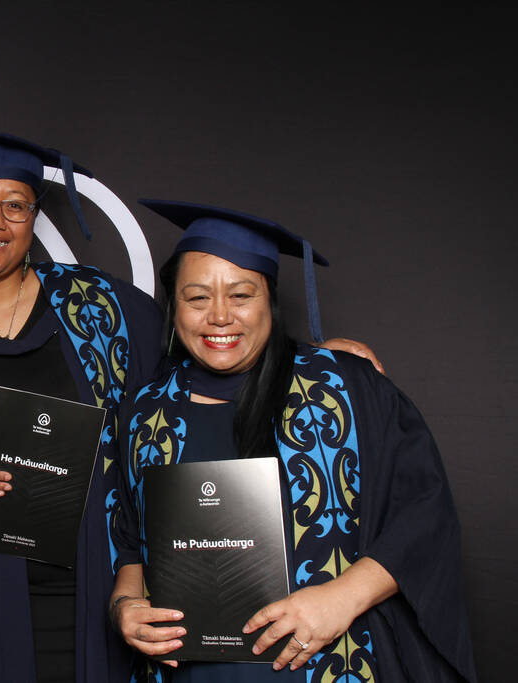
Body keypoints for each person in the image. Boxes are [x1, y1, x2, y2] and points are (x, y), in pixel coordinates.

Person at [109, 200, 477, 682]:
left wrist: (342, 599)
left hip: (330, 665)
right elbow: (131, 543)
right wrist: (125, 606)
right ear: (174, 307)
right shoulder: (146, 412)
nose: (219, 316)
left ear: (270, 300)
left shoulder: (345, 389)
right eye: (197, 298)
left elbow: (424, 515)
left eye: (241, 295)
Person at [0, 131, 166, 683]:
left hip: (100, 591)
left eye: (15, 205)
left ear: (34, 218)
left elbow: (205, 356)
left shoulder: (103, 309)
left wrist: (312, 359)